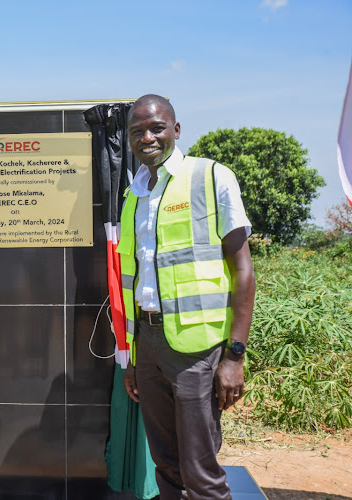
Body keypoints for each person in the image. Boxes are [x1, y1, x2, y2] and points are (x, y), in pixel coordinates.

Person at [120, 94, 256, 499]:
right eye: (137, 131)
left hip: (196, 349)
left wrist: (234, 355)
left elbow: (243, 270)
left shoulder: (210, 177)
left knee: (200, 469)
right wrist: (133, 356)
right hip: (148, 343)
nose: (147, 137)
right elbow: (138, 279)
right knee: (167, 464)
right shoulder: (134, 196)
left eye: (156, 127)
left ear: (175, 130)